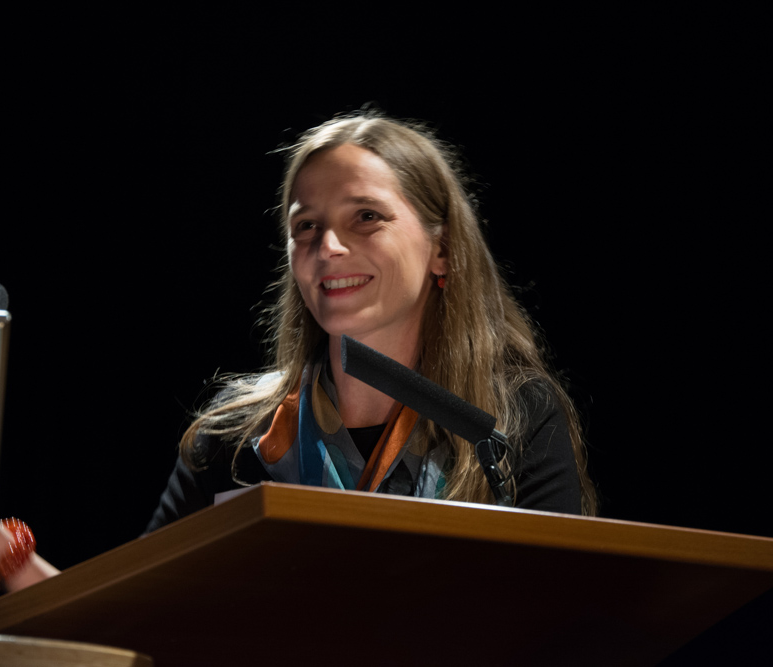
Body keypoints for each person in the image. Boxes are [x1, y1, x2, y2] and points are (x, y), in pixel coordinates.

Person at [146, 110, 596, 533]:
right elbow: (141, 587)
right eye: (307, 225)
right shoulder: (234, 433)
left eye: (366, 217)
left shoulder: (511, 420)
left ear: (442, 250)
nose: (328, 247)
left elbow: (556, 587)